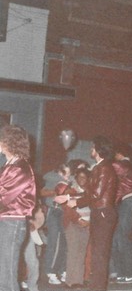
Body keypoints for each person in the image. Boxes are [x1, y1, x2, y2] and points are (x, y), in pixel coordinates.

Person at [56, 136, 118, 291]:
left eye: (92, 147)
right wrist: (70, 197)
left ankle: (98, 288)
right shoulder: (101, 167)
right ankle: (97, 287)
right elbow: (91, 193)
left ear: (98, 150)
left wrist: (75, 202)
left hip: (102, 214)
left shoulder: (103, 168)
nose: (90, 150)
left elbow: (95, 194)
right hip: (101, 213)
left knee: (99, 254)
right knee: (98, 253)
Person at [0, 124, 37, 291]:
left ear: (7, 142)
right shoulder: (12, 165)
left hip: (12, 223)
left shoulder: (18, 168)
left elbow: (3, 196)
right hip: (7, 222)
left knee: (6, 275)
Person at [110, 140, 132, 284]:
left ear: (120, 154)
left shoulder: (123, 165)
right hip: (125, 204)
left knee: (121, 238)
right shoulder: (130, 167)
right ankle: (123, 272)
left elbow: (111, 167)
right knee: (119, 238)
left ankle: (127, 272)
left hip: (126, 203)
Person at [60, 167, 91, 288]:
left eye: (84, 177)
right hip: (73, 224)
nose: (82, 179)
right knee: (73, 251)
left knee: (82, 252)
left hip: (87, 224)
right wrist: (78, 219)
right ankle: (70, 281)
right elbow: (67, 208)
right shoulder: (71, 191)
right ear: (76, 178)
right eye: (80, 177)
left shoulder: (90, 192)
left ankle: (78, 280)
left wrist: (89, 222)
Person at [41, 163, 70, 285]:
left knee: (63, 243)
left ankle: (60, 269)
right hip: (55, 212)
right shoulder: (54, 180)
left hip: (62, 212)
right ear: (60, 172)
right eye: (67, 173)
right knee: (55, 242)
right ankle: (51, 271)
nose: (69, 176)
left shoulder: (58, 181)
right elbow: (44, 193)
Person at [22, 201, 45, 291]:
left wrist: (33, 224)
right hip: (8, 230)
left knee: (33, 262)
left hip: (26, 232)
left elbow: (39, 216)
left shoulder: (30, 197)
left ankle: (32, 287)